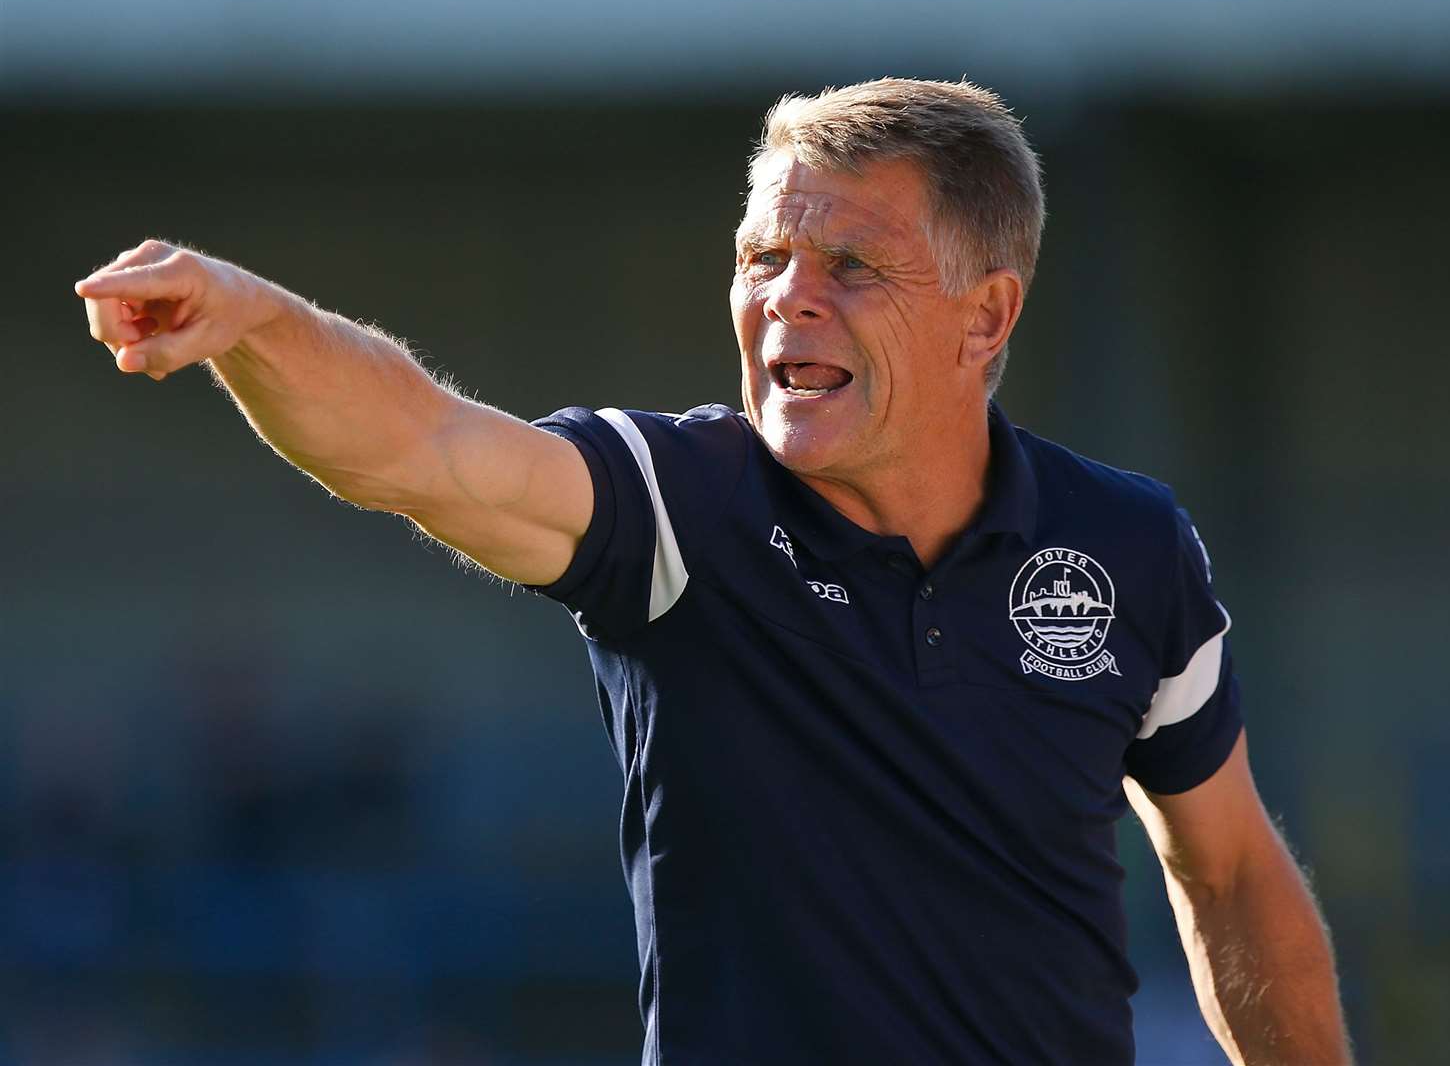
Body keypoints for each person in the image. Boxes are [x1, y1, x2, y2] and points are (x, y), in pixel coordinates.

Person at [76, 79, 1350, 1065]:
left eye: (851, 267)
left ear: (986, 316)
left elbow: (1228, 870)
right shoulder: (679, 506)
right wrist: (253, 320)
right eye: (761, 258)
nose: (786, 299)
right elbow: (420, 444)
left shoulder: (1125, 546)